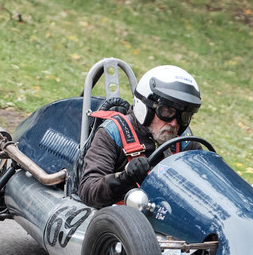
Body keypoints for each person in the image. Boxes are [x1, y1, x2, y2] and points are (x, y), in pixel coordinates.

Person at [78, 65, 202, 208]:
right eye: (167, 112)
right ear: (146, 108)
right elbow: (88, 190)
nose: (174, 123)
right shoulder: (112, 133)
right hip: (123, 221)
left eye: (184, 116)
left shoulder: (185, 142)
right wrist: (124, 178)